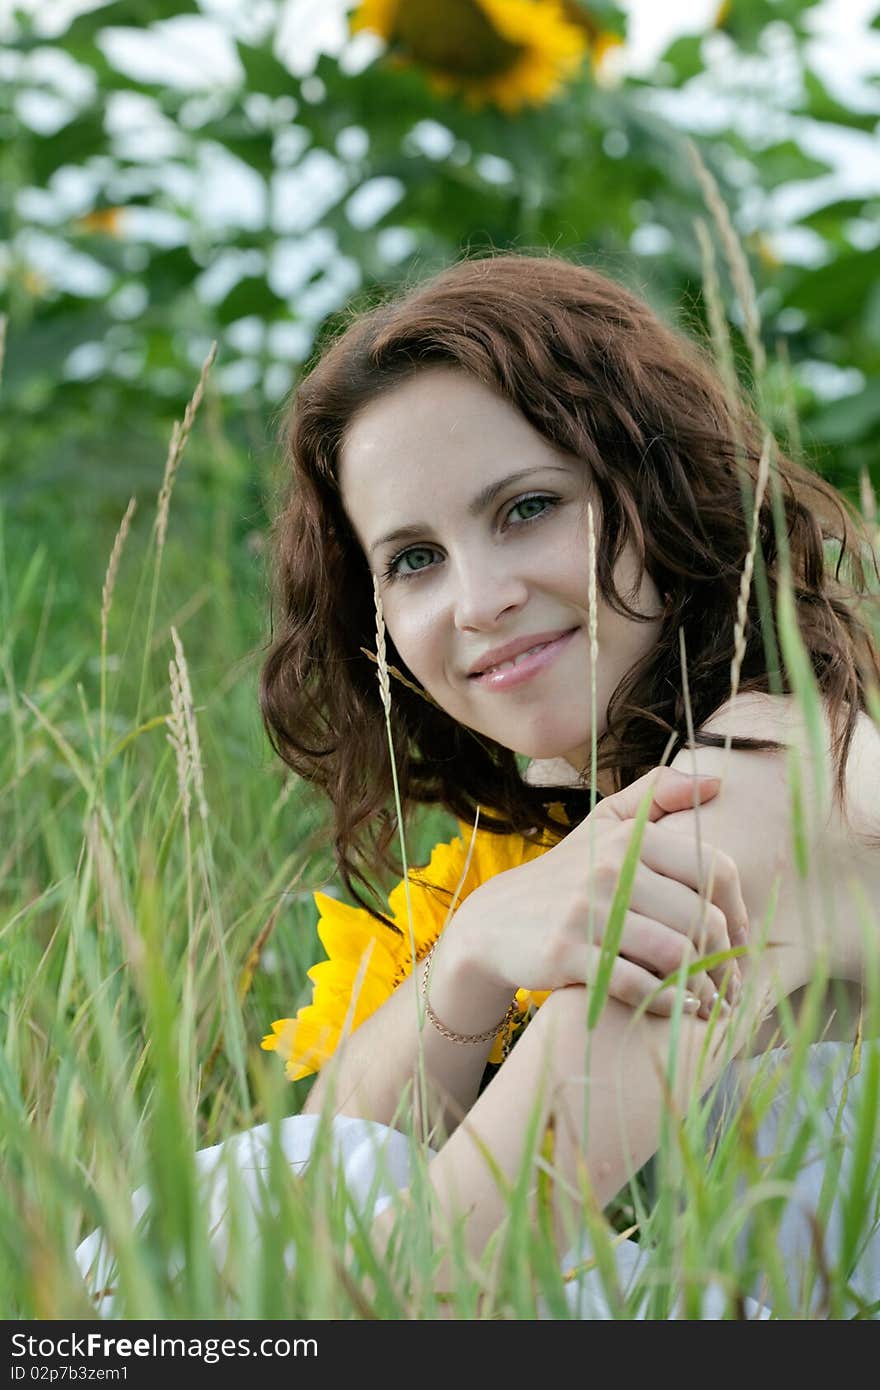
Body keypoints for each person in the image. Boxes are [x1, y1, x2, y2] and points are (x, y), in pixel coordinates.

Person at [77, 253, 880, 1317]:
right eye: (413, 559)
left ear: (661, 489)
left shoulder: (756, 793)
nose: (478, 601)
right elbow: (348, 1136)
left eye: (526, 507)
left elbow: (436, 1270)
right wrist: (463, 959)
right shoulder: (679, 779)